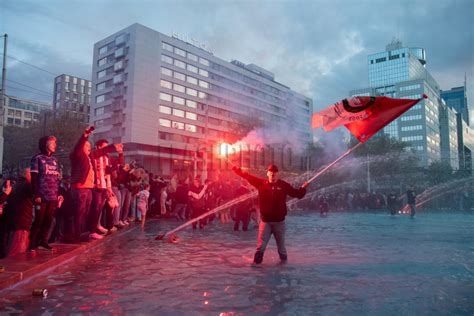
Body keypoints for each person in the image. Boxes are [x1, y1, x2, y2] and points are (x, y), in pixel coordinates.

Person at [232, 164, 308, 264]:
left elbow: (298, 194)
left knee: (281, 248)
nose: (273, 175)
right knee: (260, 247)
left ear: (277, 174)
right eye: (271, 173)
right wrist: (237, 171)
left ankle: (284, 268)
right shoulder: (261, 183)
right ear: (267, 173)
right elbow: (248, 177)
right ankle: (256, 268)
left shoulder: (284, 185)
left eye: (275, 173)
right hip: (265, 222)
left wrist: (303, 188)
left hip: (279, 222)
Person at [69, 127, 122, 242]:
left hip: (88, 188)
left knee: (85, 212)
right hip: (80, 188)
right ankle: (76, 235)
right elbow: (79, 146)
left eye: (89, 146)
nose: (89, 148)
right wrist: (85, 135)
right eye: (87, 146)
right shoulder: (78, 156)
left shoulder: (89, 157)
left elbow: (101, 152)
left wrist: (113, 147)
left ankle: (82, 233)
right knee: (79, 212)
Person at [29, 136, 63, 251]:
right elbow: (34, 178)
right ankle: (32, 244)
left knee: (48, 220)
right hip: (42, 196)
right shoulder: (37, 158)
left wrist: (59, 193)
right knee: (38, 220)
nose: (54, 145)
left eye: (55, 143)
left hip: (53, 195)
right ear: (45, 144)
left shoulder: (55, 160)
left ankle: (43, 241)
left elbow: (57, 178)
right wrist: (37, 194)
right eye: (52, 143)